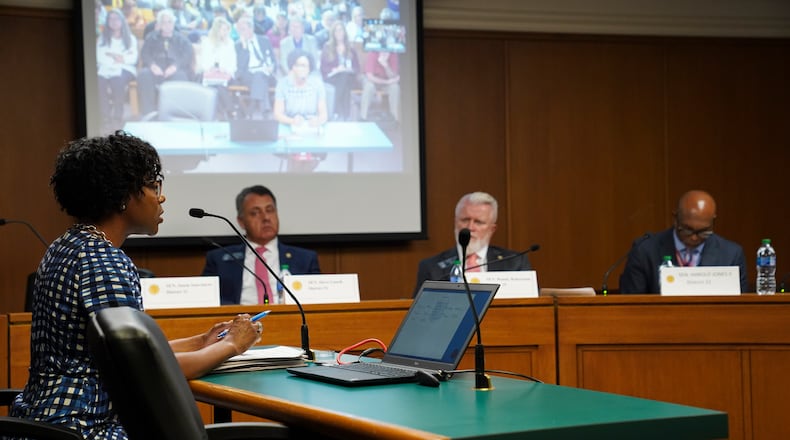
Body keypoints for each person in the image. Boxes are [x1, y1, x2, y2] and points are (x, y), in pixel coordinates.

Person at [10, 132, 263, 439]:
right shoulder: (103, 261)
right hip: (84, 427)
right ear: (123, 195)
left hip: (45, 421)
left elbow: (119, 355)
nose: (161, 196)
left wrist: (202, 341)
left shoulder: (66, 246)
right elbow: (145, 374)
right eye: (154, 185)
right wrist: (232, 345)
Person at [201, 185, 321, 305]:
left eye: (270, 210)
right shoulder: (218, 259)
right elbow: (206, 300)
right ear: (241, 222)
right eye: (255, 213)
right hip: (239, 320)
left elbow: (319, 299)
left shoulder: (305, 259)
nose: (266, 218)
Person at [619, 189, 748, 293]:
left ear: (713, 222)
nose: (694, 237)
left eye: (703, 231)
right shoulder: (645, 250)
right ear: (675, 219)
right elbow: (631, 305)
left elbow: (740, 309)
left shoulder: (731, 254)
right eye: (687, 230)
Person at [414, 192, 533, 296]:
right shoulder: (431, 267)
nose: (470, 227)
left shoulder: (515, 262)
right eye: (465, 220)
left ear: (492, 229)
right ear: (455, 222)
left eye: (479, 222)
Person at [136, 8, 195, 115]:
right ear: (159, 24)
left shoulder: (182, 39)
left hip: (176, 70)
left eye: (170, 22)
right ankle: (148, 113)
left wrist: (175, 67)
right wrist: (152, 65)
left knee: (181, 77)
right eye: (164, 22)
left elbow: (187, 55)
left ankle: (176, 113)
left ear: (174, 23)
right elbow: (145, 54)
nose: (167, 24)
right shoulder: (151, 37)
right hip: (155, 70)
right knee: (144, 75)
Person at [97, 8, 138, 132]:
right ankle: (105, 118)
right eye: (111, 19)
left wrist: (116, 57)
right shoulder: (102, 39)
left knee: (117, 81)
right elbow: (99, 56)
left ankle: (117, 118)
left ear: (122, 21)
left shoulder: (130, 38)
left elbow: (132, 57)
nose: (113, 21)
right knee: (99, 83)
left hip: (125, 68)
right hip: (105, 68)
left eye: (116, 19)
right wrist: (116, 58)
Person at [234, 14, 277, 117]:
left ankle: (252, 106)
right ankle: (264, 109)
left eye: (243, 29)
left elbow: (274, 61)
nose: (240, 33)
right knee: (258, 76)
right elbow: (241, 67)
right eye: (239, 30)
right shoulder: (238, 45)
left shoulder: (264, 40)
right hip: (248, 76)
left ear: (251, 29)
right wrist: (244, 48)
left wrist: (272, 67)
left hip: (266, 73)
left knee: (260, 76)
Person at [198, 15, 237, 119]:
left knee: (218, 87)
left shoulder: (230, 43)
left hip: (226, 74)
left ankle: (220, 113)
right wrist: (211, 68)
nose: (226, 32)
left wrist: (224, 70)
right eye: (223, 29)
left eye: (227, 29)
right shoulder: (207, 42)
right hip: (210, 74)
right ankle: (229, 111)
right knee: (216, 87)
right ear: (217, 29)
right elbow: (204, 62)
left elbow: (233, 64)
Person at [320, 20, 359, 121]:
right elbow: (323, 67)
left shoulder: (350, 48)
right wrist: (336, 69)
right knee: (343, 81)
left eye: (341, 30)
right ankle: (345, 115)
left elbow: (357, 67)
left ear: (344, 32)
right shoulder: (327, 46)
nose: (339, 33)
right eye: (336, 31)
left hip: (348, 77)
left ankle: (336, 112)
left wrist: (348, 69)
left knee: (344, 77)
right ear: (333, 33)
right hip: (332, 77)